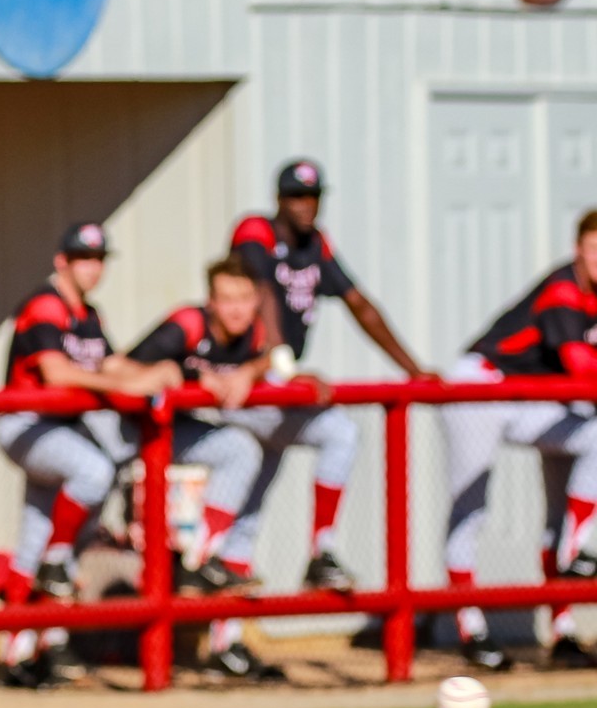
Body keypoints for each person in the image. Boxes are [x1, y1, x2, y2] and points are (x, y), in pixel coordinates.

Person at [228, 158, 436, 593]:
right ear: (279, 199)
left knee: (251, 498)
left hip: (275, 382)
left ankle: (236, 589)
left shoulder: (316, 244)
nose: (306, 205)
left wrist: (413, 368)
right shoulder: (256, 231)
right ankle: (321, 552)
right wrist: (285, 368)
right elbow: (262, 293)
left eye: (313, 196)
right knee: (339, 433)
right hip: (244, 378)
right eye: (296, 196)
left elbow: (358, 303)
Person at [0, 222, 184, 688]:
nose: (92, 267)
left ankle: (27, 651)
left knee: (34, 538)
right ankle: (57, 560)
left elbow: (113, 363)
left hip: (60, 431)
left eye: (98, 259)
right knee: (92, 473)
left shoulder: (88, 314)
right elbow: (57, 373)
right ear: (62, 261)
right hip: (25, 424)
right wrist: (128, 385)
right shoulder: (46, 304)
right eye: (83, 258)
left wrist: (155, 372)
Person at [128, 255, 331, 681]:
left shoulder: (259, 334)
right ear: (211, 302)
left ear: (256, 300)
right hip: (126, 435)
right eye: (227, 299)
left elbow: (277, 362)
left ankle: (201, 564)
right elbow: (121, 367)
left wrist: (263, 371)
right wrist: (183, 375)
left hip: (172, 437)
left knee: (241, 452)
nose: (237, 309)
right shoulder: (187, 324)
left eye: (244, 298)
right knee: (61, 539)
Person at [441, 210, 597, 672]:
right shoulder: (564, 288)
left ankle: (563, 628)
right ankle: (470, 627)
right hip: (481, 385)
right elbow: (581, 368)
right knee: (471, 510)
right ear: (578, 250)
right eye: (595, 248)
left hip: (532, 397)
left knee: (582, 461)